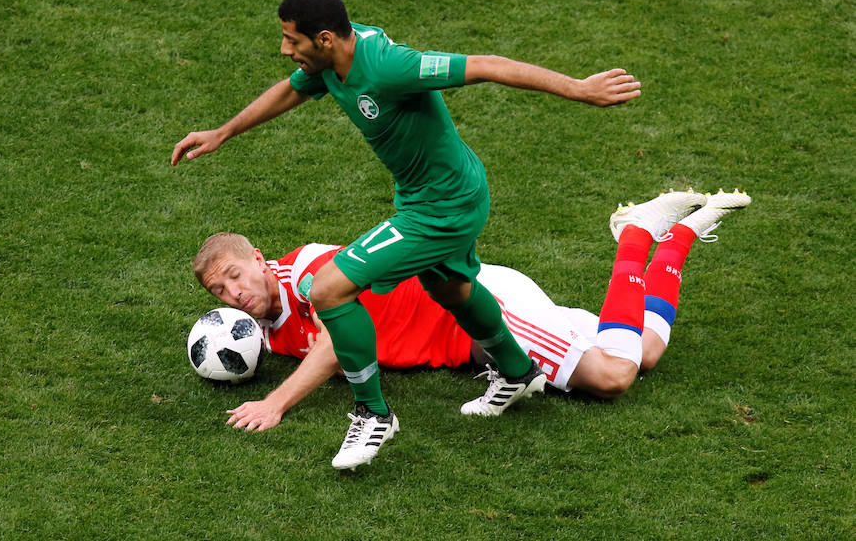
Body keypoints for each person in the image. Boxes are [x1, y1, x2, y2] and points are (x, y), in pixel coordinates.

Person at [172, 0, 642, 469]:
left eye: (292, 39)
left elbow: (484, 66)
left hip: (444, 205)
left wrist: (580, 89)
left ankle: (373, 414)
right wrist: (224, 132)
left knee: (329, 289)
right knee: (452, 290)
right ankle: (518, 371)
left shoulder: (388, 68)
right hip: (425, 196)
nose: (285, 49)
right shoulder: (328, 65)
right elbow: (289, 93)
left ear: (326, 38)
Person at [193, 190, 751, 463]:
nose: (235, 293)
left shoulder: (311, 269)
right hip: (469, 345)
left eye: (237, 276)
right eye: (220, 291)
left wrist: (276, 404)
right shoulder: (258, 332)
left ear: (261, 260)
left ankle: (634, 234)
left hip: (484, 313)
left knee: (614, 377)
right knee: (644, 351)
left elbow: (335, 345)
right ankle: (676, 239)